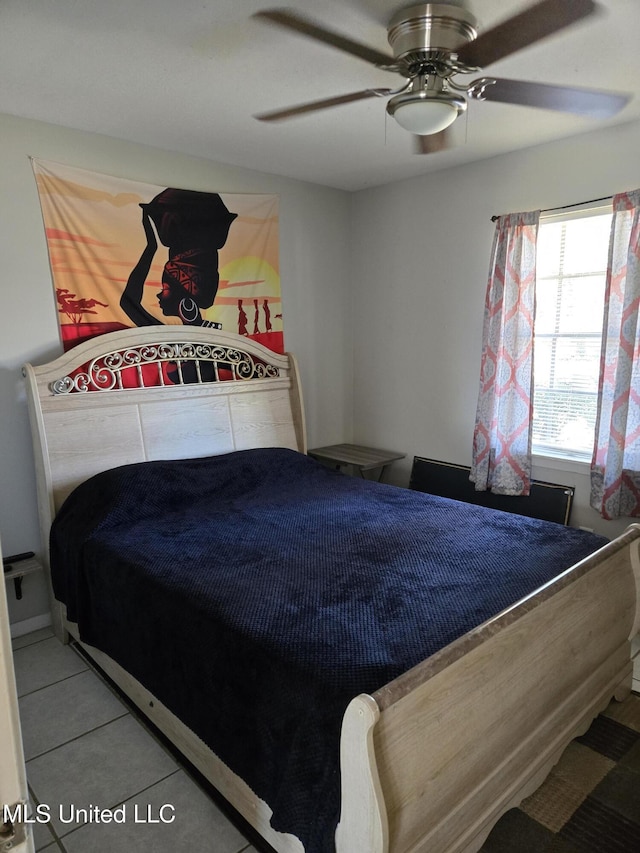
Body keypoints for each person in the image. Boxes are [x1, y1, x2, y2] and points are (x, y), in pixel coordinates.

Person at [121, 188, 237, 329]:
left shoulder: (172, 335)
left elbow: (127, 303)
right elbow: (127, 303)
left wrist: (151, 248)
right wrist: (151, 247)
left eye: (165, 288)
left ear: (186, 301)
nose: (159, 295)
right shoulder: (208, 333)